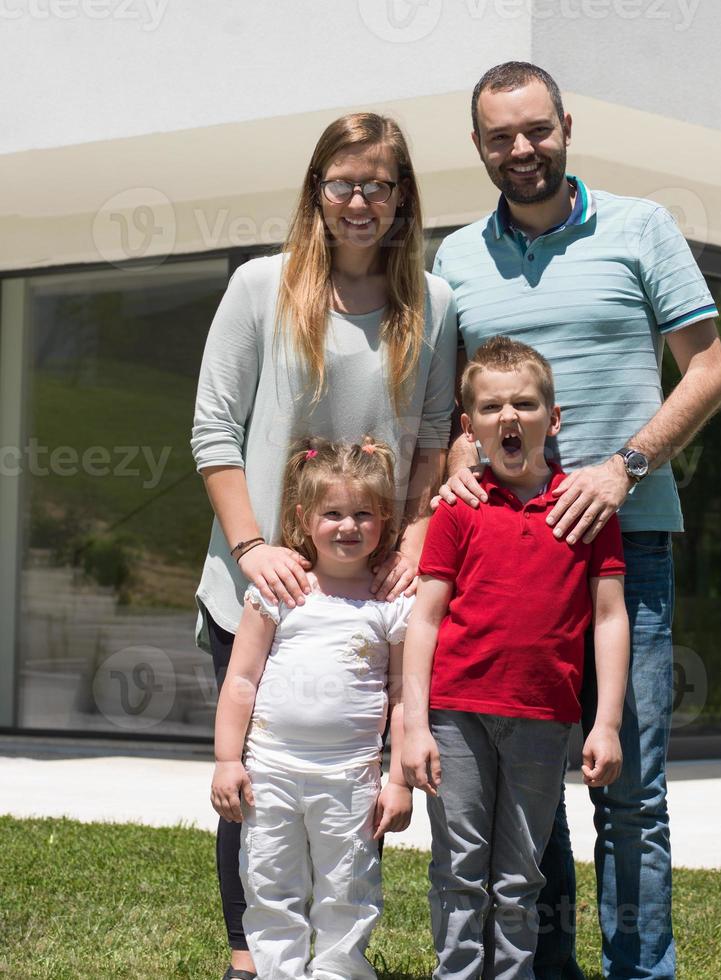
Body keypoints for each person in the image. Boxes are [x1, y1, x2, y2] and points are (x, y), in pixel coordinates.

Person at [430, 63, 721, 980]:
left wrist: (622, 467)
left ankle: (641, 971)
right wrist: (454, 468)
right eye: (498, 137)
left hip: (622, 549)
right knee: (529, 794)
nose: (520, 150)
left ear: (566, 126)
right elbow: (453, 410)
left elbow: (710, 370)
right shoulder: (455, 259)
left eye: (535, 130)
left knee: (629, 792)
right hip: (502, 561)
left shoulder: (641, 228)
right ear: (478, 146)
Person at [191, 112, 457, 980]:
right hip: (263, 582)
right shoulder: (259, 287)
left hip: (369, 591)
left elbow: (432, 438)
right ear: (316, 191)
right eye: (341, 183)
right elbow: (213, 431)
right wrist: (253, 545)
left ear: (402, 197)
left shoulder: (434, 301)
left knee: (351, 779)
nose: (358, 202)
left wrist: (415, 538)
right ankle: (250, 961)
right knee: (258, 788)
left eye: (378, 185)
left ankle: (342, 960)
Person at [401, 337, 631, 979]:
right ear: (468, 424)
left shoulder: (585, 511)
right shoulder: (459, 508)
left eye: (525, 405)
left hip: (541, 718)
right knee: (460, 868)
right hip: (456, 716)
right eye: (491, 406)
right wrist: (414, 724)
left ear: (551, 420)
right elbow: (425, 618)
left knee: (520, 874)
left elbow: (610, 619)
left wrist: (605, 723)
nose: (509, 418)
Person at [211, 437, 415, 980]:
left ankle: (338, 972)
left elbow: (403, 695)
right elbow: (241, 680)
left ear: (384, 519)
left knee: (346, 889)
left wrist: (398, 780)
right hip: (271, 771)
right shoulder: (280, 592)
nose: (348, 526)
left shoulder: (390, 602)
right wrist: (228, 760)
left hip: (351, 778)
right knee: (270, 884)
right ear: (304, 517)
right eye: (333, 513)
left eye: (363, 514)